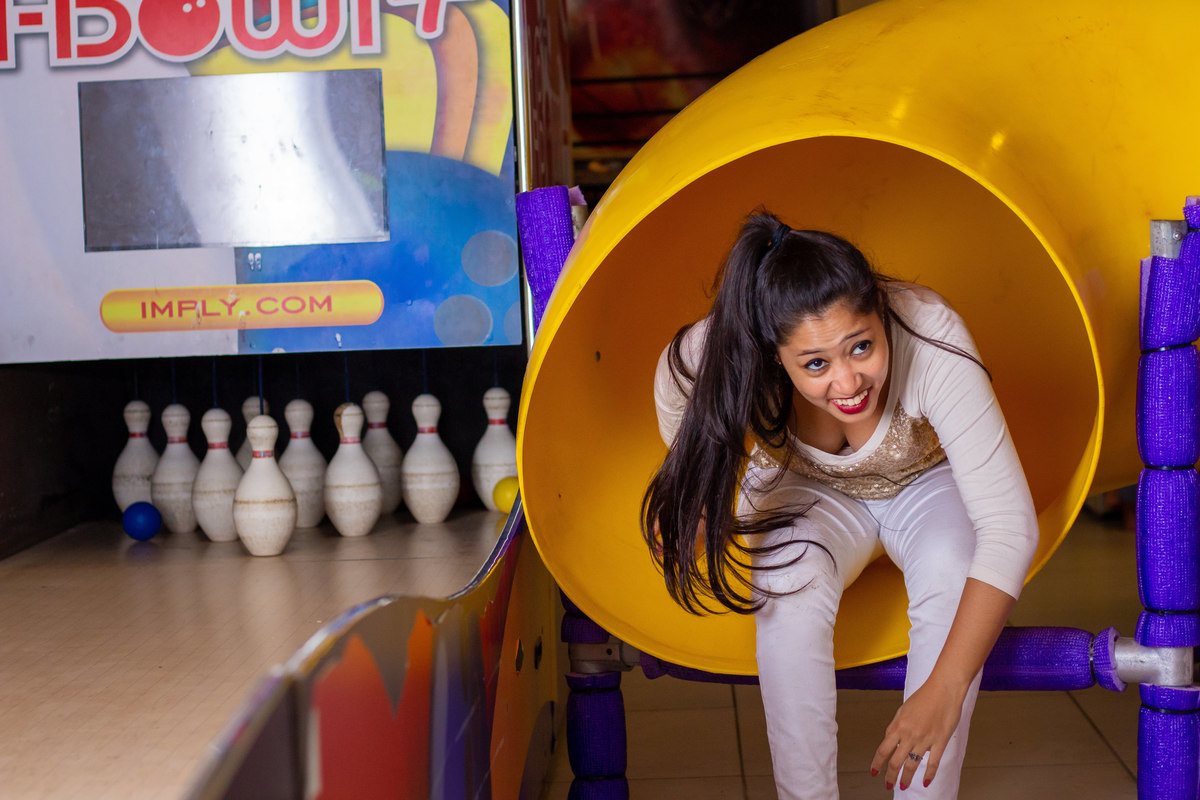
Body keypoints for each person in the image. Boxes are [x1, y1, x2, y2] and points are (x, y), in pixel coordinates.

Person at [643, 209, 1038, 799]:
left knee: (955, 567)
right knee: (785, 584)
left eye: (861, 347)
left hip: (925, 484)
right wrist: (703, 497)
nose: (848, 383)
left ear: (882, 313)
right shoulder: (725, 345)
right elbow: (673, 384)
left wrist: (945, 687)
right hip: (806, 488)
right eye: (816, 365)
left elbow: (1010, 528)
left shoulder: (932, 335)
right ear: (775, 354)